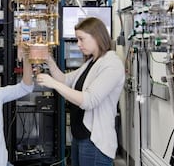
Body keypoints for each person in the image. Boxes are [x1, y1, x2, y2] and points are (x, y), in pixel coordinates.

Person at [36, 17, 125, 166]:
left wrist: (53, 84)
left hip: (95, 140)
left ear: (96, 36)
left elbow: (89, 101)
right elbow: (65, 80)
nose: (78, 44)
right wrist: (49, 60)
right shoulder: (91, 62)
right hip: (80, 136)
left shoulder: (111, 64)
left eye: (81, 39)